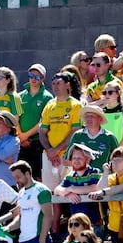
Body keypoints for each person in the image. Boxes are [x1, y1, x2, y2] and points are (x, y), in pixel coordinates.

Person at [39, 71, 82, 232]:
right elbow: (42, 132)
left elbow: (75, 131)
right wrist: (50, 151)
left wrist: (57, 151)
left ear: (68, 85)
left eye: (59, 83)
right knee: (51, 194)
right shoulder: (49, 105)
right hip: (49, 157)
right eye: (54, 84)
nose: (55, 87)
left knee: (69, 191)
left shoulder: (76, 105)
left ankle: (72, 229)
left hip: (68, 157)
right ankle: (54, 230)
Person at [7, 161, 52, 243]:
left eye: (18, 176)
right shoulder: (21, 192)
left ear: (27, 174)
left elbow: (48, 215)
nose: (16, 180)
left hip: (36, 240)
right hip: (22, 241)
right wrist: (7, 228)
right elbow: (20, 217)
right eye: (14, 178)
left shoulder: (41, 190)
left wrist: (42, 239)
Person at [54, 144, 102, 227]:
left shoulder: (95, 172)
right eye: (74, 158)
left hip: (93, 225)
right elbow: (56, 190)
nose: (76, 161)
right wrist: (68, 194)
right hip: (75, 225)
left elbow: (94, 187)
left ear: (87, 159)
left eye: (79, 158)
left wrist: (71, 189)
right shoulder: (70, 176)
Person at [68, 105, 118, 169]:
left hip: (103, 176)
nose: (88, 119)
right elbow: (66, 160)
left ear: (100, 119)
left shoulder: (109, 137)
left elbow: (118, 159)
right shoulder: (78, 135)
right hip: (81, 177)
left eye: (92, 116)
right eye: (87, 116)